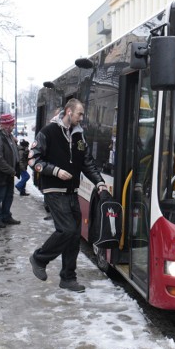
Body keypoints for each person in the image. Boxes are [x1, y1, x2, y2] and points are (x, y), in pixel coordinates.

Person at [29, 98, 108, 293]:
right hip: (54, 191)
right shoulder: (47, 132)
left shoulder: (79, 136)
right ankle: (39, 258)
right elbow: (33, 160)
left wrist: (99, 183)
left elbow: (87, 163)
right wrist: (55, 171)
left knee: (74, 237)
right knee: (67, 230)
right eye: (80, 114)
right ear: (69, 112)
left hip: (73, 191)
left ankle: (68, 278)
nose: (82, 118)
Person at [0, 113, 21, 228]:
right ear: (6, 125)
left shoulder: (9, 136)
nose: (14, 127)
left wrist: (17, 167)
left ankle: (6, 216)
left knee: (8, 196)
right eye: (12, 124)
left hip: (9, 173)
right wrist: (12, 170)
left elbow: (13, 153)